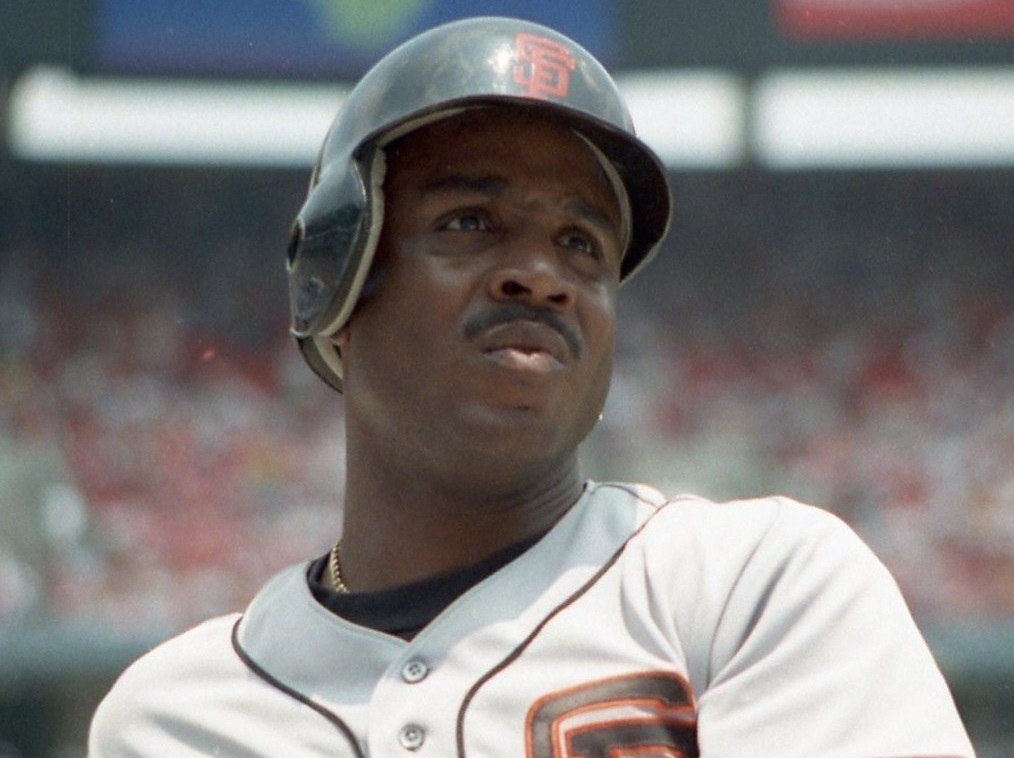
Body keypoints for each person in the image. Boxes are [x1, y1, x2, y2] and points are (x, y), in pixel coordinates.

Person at [88, 16, 975, 757]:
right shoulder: (173, 719)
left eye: (582, 246)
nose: (542, 276)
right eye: (471, 222)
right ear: (335, 281)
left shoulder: (754, 589)